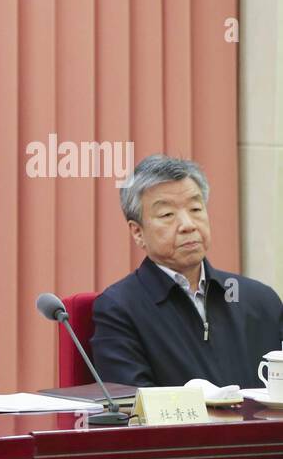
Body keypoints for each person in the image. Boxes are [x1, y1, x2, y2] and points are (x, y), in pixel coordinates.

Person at [92, 153, 283, 388]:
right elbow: (132, 406)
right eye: (167, 215)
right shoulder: (119, 309)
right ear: (137, 232)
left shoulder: (261, 300)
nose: (188, 225)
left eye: (195, 208)